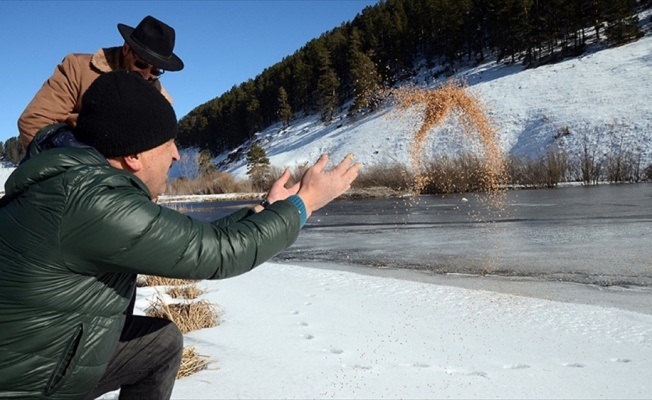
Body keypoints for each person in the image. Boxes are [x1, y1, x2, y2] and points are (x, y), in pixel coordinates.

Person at [0, 71, 361, 399]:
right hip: (28, 385)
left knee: (160, 344)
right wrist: (305, 203)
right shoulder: (92, 204)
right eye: (167, 143)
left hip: (54, 359)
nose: (175, 155)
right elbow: (219, 253)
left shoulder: (84, 186)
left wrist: (265, 209)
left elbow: (193, 238)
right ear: (134, 157)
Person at [17, 15, 183, 149]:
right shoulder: (78, 69)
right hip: (74, 174)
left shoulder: (161, 101)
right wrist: (76, 169)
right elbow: (34, 121)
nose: (146, 76)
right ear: (126, 48)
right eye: (140, 64)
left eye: (155, 71)